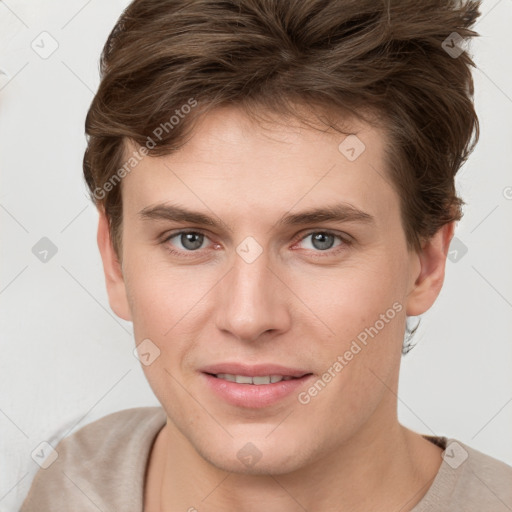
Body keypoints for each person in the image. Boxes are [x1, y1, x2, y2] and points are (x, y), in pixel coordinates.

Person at [20, 0, 512, 511]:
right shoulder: (73, 480)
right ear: (115, 260)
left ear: (427, 264)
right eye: (189, 238)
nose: (249, 317)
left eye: (322, 239)